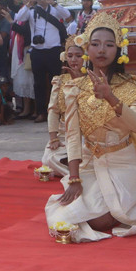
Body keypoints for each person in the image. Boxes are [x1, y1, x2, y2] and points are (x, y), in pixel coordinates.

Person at [45, 12, 136, 243]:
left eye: (109, 45)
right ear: (87, 49)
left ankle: (117, 206)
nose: (101, 50)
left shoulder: (130, 87)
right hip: (89, 162)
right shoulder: (74, 88)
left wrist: (111, 98)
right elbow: (72, 135)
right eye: (95, 44)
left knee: (104, 220)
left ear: (118, 50)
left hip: (122, 161)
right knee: (69, 216)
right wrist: (74, 179)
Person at [14, 0, 71, 124]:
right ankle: (41, 112)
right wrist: (29, 3)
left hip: (54, 51)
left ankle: (57, 112)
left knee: (56, 83)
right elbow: (18, 18)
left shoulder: (55, 10)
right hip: (37, 51)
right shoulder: (32, 10)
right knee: (38, 84)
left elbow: (68, 16)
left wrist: (53, 3)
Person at [42, 37, 85, 178]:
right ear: (64, 57)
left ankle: (77, 169)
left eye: (79, 56)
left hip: (86, 132)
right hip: (63, 132)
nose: (74, 60)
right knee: (48, 160)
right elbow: (53, 110)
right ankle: (76, 171)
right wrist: (53, 137)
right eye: (70, 55)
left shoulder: (92, 80)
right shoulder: (59, 80)